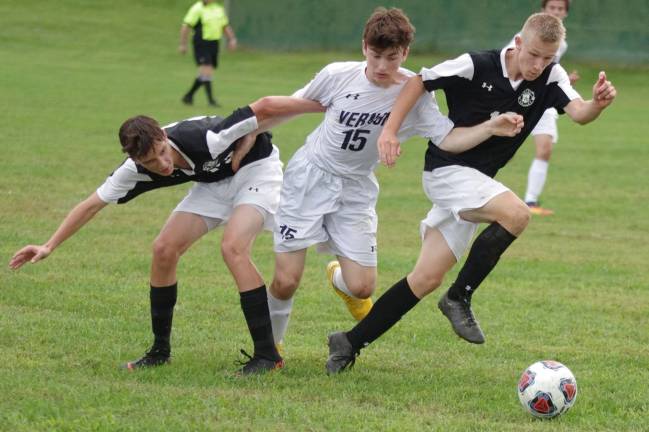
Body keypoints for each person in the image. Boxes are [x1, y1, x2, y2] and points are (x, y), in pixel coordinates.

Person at [326, 12, 616, 374]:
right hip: (447, 171)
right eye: (534, 55)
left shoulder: (551, 76)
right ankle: (458, 297)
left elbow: (579, 112)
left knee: (425, 278)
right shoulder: (475, 65)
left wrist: (598, 105)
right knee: (517, 213)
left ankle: (349, 343)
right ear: (519, 44)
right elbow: (419, 81)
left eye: (549, 58)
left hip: (477, 184)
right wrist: (389, 131)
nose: (540, 65)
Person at [261, 7, 525, 351]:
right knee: (285, 281)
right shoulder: (337, 75)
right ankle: (271, 348)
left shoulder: (414, 93)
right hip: (310, 177)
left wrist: (491, 126)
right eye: (375, 55)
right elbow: (291, 105)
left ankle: (338, 281)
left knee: (362, 287)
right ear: (363, 48)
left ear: (405, 53)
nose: (383, 66)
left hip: (356, 187)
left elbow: (447, 139)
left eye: (392, 57)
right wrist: (253, 135)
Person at [9, 96, 324, 375]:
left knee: (233, 248)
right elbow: (92, 205)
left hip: (256, 170)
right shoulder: (134, 169)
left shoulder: (206, 137)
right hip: (214, 182)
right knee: (163, 249)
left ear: (163, 135)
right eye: (148, 162)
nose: (160, 165)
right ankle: (160, 352)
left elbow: (265, 107)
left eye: (161, 152)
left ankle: (268, 355)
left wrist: (320, 104)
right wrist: (49, 245)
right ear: (136, 160)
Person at [522, 0, 579, 215]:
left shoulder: (560, 43)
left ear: (565, 13)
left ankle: (530, 202)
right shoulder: (528, 35)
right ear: (543, 10)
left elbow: (547, 70)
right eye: (552, 8)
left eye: (560, 9)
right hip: (516, 97)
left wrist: (563, 82)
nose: (556, 12)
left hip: (542, 100)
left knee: (545, 148)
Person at [179, 0, 237, 107]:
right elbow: (186, 26)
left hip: (214, 43)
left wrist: (232, 39)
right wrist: (183, 44)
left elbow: (225, 25)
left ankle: (189, 95)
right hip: (202, 42)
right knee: (207, 69)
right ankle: (211, 101)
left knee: (206, 72)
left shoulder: (218, 9)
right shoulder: (197, 8)